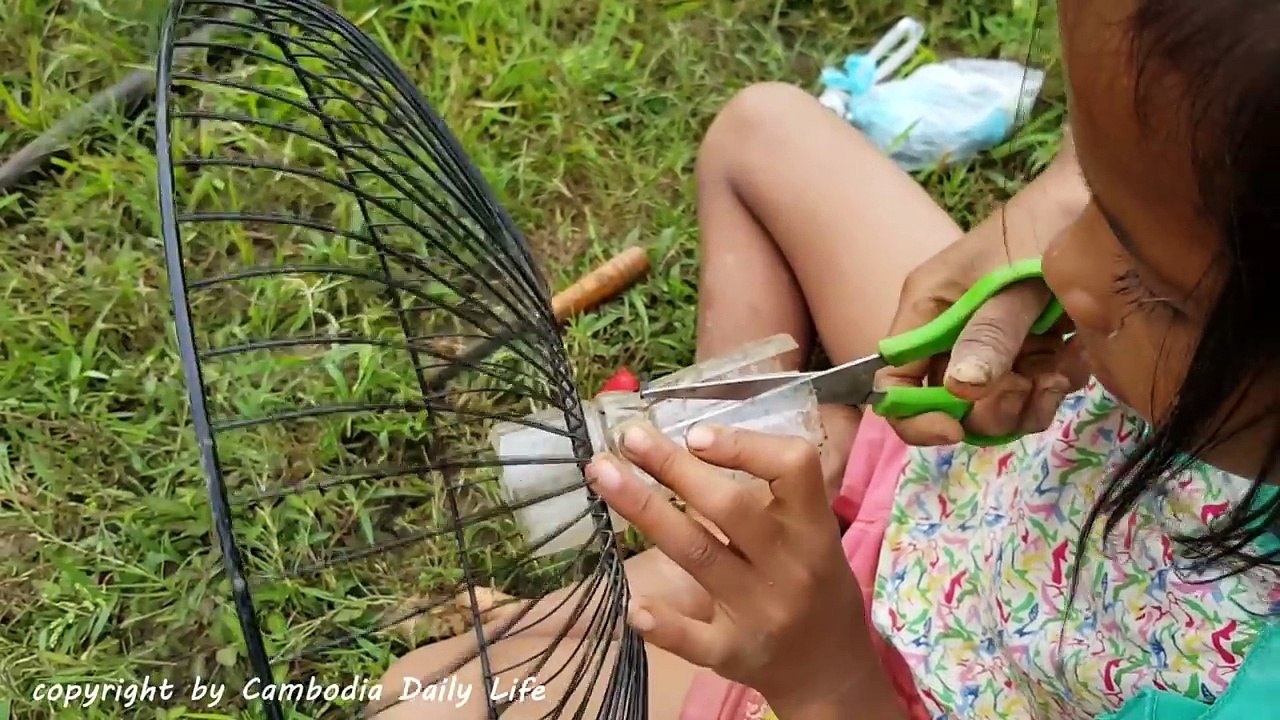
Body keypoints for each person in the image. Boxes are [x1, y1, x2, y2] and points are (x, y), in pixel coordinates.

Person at [370, 0, 1280, 717]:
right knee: (760, 131)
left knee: (420, 694)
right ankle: (784, 481)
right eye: (1094, 196)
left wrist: (821, 675)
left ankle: (758, 550)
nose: (1067, 268)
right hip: (975, 490)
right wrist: (1023, 228)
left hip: (899, 674)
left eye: (1155, 287)